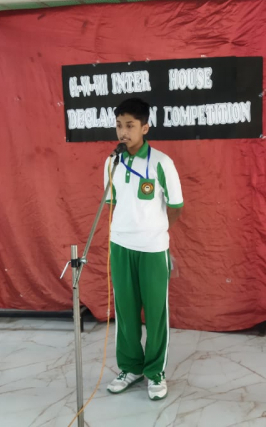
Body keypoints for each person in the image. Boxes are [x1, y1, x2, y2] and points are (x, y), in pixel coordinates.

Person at [103, 97, 183, 400]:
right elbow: (111, 203)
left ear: (145, 128)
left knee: (155, 312)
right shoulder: (112, 162)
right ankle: (130, 367)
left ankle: (155, 371)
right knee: (125, 312)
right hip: (120, 246)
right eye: (119, 126)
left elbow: (176, 206)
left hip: (152, 248)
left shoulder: (162, 163)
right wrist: (124, 230)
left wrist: (156, 231)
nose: (123, 132)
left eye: (130, 126)